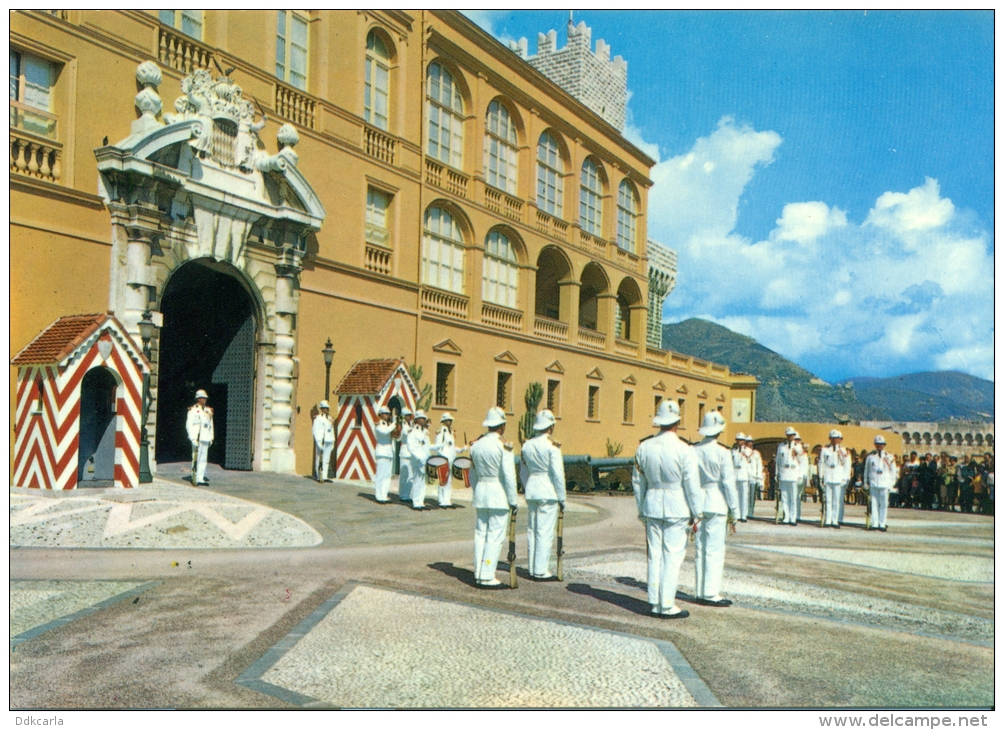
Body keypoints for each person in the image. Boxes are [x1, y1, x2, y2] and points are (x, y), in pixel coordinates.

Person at [632, 399, 701, 619]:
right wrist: (697, 513)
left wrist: (641, 506)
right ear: (677, 422)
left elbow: (637, 482)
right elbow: (691, 485)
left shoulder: (644, 447)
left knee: (654, 555)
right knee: (672, 556)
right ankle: (667, 603)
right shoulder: (684, 448)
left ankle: (654, 601)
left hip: (652, 503)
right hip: (677, 507)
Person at [693, 411, 739, 606]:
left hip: (698, 501)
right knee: (714, 550)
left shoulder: (693, 449)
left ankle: (700, 591)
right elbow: (728, 483)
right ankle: (711, 593)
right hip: (717, 501)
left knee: (700, 548)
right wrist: (734, 511)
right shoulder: (723, 451)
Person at [469, 406, 518, 587]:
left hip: (481, 493)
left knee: (480, 534)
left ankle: (479, 572)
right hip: (498, 494)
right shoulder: (503, 446)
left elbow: (472, 474)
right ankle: (487, 574)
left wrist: (477, 491)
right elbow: (509, 476)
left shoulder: (476, 445)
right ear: (502, 426)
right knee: (494, 537)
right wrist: (513, 500)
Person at [518, 409, 566, 580]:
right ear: (551, 427)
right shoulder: (552, 447)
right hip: (548, 490)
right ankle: (540, 570)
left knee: (532, 530)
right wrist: (562, 498)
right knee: (544, 532)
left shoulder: (526, 445)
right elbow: (558, 475)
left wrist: (527, 487)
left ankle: (532, 567)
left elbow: (523, 472)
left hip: (532, 489)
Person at [818, 430, 852, 528]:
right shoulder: (825, 450)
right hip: (828, 476)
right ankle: (828, 520)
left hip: (838, 477)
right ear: (829, 439)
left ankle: (835, 520)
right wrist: (821, 476)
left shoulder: (844, 451)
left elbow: (846, 466)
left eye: (836, 438)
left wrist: (845, 479)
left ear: (839, 439)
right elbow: (821, 464)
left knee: (836, 500)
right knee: (828, 500)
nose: (834, 440)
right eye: (832, 438)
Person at [864, 435, 898, 531]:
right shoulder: (870, 457)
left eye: (881, 444)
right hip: (874, 483)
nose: (879, 446)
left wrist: (891, 484)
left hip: (885, 484)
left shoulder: (889, 457)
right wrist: (865, 482)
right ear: (875, 445)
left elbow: (893, 472)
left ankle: (882, 523)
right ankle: (875, 523)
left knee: (883, 504)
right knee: (874, 504)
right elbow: (866, 471)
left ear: (884, 445)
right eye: (878, 444)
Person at [775, 428, 803, 525]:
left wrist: (800, 475)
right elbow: (778, 460)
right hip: (784, 473)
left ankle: (793, 518)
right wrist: (776, 473)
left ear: (794, 436)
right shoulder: (781, 446)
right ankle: (786, 517)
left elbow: (801, 462)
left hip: (793, 473)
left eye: (792, 435)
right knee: (784, 497)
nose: (790, 436)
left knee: (793, 498)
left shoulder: (798, 446)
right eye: (788, 435)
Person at [186, 389, 214, 486]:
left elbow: (211, 425)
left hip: (205, 437)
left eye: (205, 398)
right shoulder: (193, 410)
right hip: (197, 437)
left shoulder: (208, 410)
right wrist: (192, 438)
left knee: (203, 459)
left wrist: (211, 437)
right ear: (198, 399)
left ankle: (200, 477)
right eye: (203, 398)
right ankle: (195, 477)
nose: (205, 400)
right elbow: (189, 425)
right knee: (196, 458)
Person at [407, 410, 434, 510]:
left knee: (423, 481)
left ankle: (421, 501)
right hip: (417, 460)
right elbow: (411, 446)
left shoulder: (425, 432)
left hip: (425, 460)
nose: (424, 420)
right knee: (417, 480)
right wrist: (418, 457)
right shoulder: (413, 432)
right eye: (422, 418)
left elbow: (427, 446)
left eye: (425, 418)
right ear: (417, 419)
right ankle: (416, 502)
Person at [373, 405, 401, 503]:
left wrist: (397, 430)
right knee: (380, 475)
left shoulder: (388, 425)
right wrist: (394, 423)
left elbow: (395, 437)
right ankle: (378, 495)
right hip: (381, 451)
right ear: (380, 415)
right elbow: (385, 432)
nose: (387, 415)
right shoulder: (379, 425)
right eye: (385, 414)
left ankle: (384, 495)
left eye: (388, 414)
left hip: (389, 452)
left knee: (387, 475)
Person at [434, 413, 458, 508]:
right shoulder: (441, 432)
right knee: (443, 479)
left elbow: (452, 447)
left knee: (449, 480)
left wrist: (460, 450)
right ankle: (441, 500)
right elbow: (438, 447)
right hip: (444, 459)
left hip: (451, 458)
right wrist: (442, 458)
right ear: (443, 421)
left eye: (450, 420)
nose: (450, 422)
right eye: (448, 420)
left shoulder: (451, 433)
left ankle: (447, 499)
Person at [312, 400, 335, 483]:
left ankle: (324, 476)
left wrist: (332, 440)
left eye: (327, 408)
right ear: (321, 409)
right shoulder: (318, 418)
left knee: (326, 458)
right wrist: (318, 441)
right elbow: (315, 430)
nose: (326, 410)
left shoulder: (329, 418)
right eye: (325, 408)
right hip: (321, 440)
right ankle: (319, 475)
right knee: (319, 458)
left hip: (328, 440)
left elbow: (331, 430)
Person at [731, 432, 752, 522]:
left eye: (741, 440)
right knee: (735, 496)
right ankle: (737, 515)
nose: (739, 442)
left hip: (744, 475)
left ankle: (743, 515)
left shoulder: (749, 451)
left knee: (744, 496)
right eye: (738, 440)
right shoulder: (733, 451)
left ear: (744, 441)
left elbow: (750, 464)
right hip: (735, 475)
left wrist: (751, 476)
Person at [397, 407, 414, 503]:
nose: (409, 417)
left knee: (410, 475)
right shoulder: (403, 426)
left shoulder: (410, 425)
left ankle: (407, 494)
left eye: (409, 415)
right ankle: (402, 494)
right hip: (405, 450)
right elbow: (401, 436)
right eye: (407, 416)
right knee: (404, 475)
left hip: (411, 452)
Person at [746, 436, 764, 517]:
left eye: (750, 441)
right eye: (747, 441)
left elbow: (759, 466)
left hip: (753, 477)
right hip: (744, 476)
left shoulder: (756, 453)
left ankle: (750, 512)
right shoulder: (742, 451)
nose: (749, 443)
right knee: (744, 496)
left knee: (751, 497)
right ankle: (743, 512)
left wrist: (759, 477)